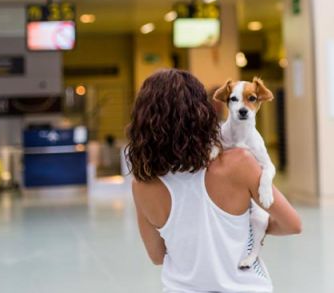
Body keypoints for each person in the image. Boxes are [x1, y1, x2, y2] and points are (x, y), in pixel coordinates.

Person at [128, 68, 302, 293]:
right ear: (201, 114)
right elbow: (293, 224)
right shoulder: (240, 162)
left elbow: (157, 256)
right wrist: (250, 229)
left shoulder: (142, 185)